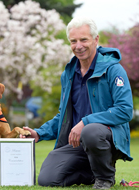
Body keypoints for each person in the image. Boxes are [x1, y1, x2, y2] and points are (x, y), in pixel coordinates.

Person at [20, 17, 133, 189]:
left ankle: (105, 178)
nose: (78, 46)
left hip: (107, 138)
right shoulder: (68, 74)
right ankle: (90, 174)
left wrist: (85, 122)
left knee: (91, 131)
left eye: (84, 39)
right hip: (77, 142)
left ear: (95, 40)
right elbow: (64, 116)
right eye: (73, 41)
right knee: (47, 179)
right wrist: (39, 133)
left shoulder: (113, 69)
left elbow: (125, 110)